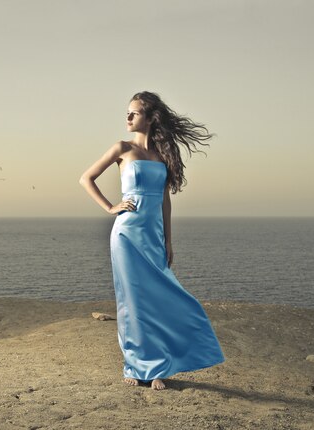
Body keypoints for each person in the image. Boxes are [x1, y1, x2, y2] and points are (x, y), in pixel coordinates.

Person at [79, 91, 225, 390]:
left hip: (153, 236)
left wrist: (169, 241)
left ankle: (158, 366)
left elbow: (165, 201)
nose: (128, 117)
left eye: (134, 113)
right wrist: (110, 207)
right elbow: (86, 178)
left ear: (150, 117)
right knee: (131, 301)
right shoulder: (122, 148)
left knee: (160, 299)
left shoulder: (161, 156)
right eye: (127, 112)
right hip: (126, 234)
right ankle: (134, 365)